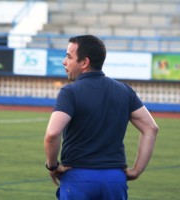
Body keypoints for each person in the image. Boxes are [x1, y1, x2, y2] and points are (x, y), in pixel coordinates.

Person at [44, 35, 159, 200]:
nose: (64, 61)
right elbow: (151, 128)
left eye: (69, 56)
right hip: (115, 179)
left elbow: (52, 134)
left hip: (79, 177)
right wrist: (137, 170)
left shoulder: (70, 92)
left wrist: (52, 166)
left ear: (84, 63)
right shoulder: (124, 91)